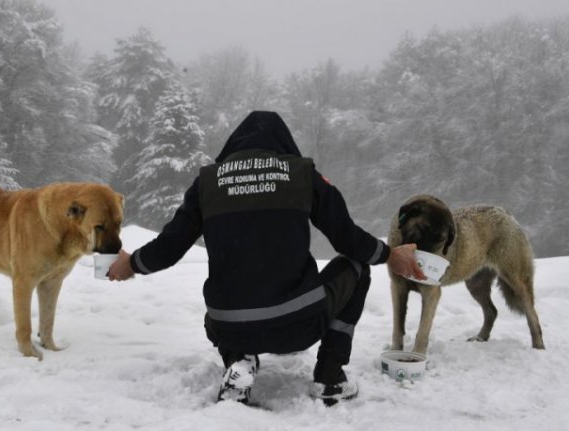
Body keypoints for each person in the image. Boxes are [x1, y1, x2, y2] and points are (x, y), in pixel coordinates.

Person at [108, 111, 425, 406]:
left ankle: (238, 360)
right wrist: (388, 254)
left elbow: (170, 246)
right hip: (298, 324)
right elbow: (347, 237)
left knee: (223, 304)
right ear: (284, 143)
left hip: (228, 328)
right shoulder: (301, 174)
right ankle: (330, 378)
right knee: (357, 266)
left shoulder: (208, 183)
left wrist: (131, 263)